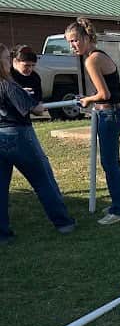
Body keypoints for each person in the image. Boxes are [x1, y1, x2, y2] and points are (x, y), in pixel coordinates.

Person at [0, 43, 76, 244]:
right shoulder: (8, 85)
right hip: (18, 135)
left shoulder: (14, 82)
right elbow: (35, 109)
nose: (9, 62)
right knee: (43, 180)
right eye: (6, 58)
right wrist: (29, 99)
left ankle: (2, 234)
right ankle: (64, 223)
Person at [66, 17, 120, 225]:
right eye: (70, 42)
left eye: (75, 40)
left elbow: (104, 94)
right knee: (114, 161)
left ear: (86, 38)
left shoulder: (91, 60)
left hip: (109, 114)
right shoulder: (98, 55)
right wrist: (90, 98)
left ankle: (119, 210)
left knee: (109, 162)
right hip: (115, 112)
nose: (72, 45)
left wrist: (87, 100)